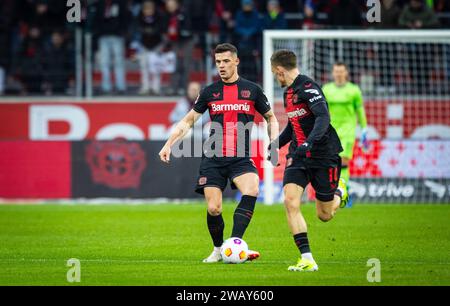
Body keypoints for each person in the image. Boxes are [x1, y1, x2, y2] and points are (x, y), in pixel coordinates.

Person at [159, 43, 279, 263]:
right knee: (214, 208)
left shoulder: (252, 90)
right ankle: (217, 249)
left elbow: (271, 118)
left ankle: (233, 245)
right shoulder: (209, 92)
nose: (221, 66)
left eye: (225, 61)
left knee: (252, 189)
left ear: (236, 61)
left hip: (241, 157)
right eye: (218, 62)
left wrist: (274, 143)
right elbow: (188, 121)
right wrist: (169, 143)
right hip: (213, 158)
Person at [269, 50, 348, 272]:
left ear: (279, 70)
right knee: (290, 201)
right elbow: (293, 127)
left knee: (324, 215)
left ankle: (339, 193)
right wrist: (276, 144)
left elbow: (324, 118)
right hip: (298, 157)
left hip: (323, 155)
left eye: (275, 74)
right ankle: (307, 258)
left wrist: (309, 144)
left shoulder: (309, 88)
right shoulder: (288, 93)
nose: (276, 78)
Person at [322, 62, 368, 187]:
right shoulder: (326, 89)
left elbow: (360, 111)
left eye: (341, 71)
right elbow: (321, 111)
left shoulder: (354, 90)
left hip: (347, 131)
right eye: (336, 71)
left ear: (346, 72)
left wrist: (364, 129)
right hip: (330, 131)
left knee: (343, 162)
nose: (339, 74)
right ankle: (334, 190)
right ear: (333, 73)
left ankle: (343, 191)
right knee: (330, 163)